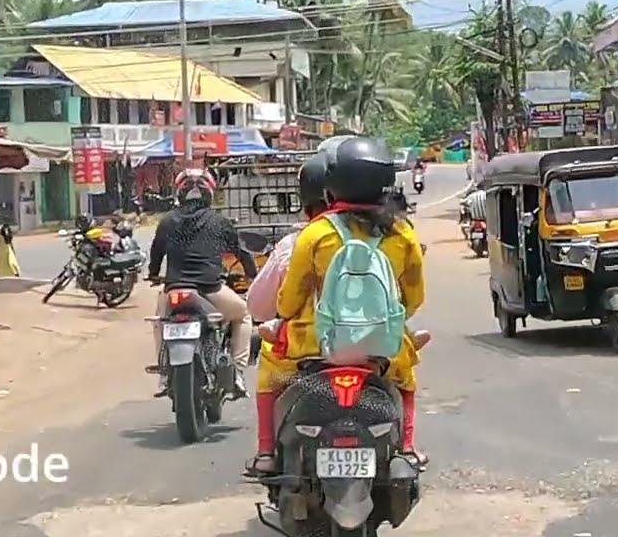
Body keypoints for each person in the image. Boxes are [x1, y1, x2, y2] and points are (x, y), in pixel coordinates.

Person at [249, 137, 428, 475]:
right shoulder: (403, 234)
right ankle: (406, 447)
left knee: (270, 370)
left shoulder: (316, 233)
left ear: (334, 186)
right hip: (382, 351)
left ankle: (266, 451)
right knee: (406, 377)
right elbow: (414, 299)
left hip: (314, 347)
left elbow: (288, 302)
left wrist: (289, 319)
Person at [147, 168, 258, 398]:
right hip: (211, 290)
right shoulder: (219, 222)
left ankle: (165, 373)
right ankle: (237, 372)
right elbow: (242, 251)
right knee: (243, 314)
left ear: (179, 193)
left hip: (174, 290)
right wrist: (251, 275)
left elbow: (156, 252)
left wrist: (154, 273)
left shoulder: (167, 221)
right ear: (209, 193)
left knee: (160, 323)